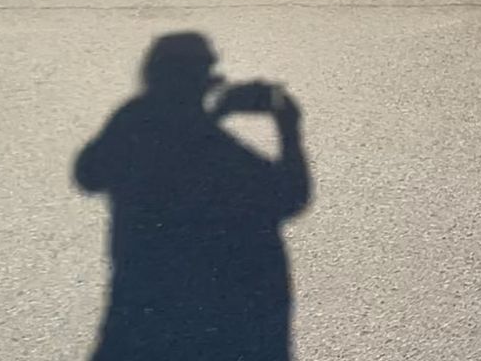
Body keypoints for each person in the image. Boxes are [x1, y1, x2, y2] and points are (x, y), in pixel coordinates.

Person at [74, 33, 310, 361]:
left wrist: (208, 115)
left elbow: (88, 174)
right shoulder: (217, 153)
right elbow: (291, 196)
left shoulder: (134, 124)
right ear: (204, 79)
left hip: (141, 313)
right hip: (222, 325)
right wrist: (288, 124)